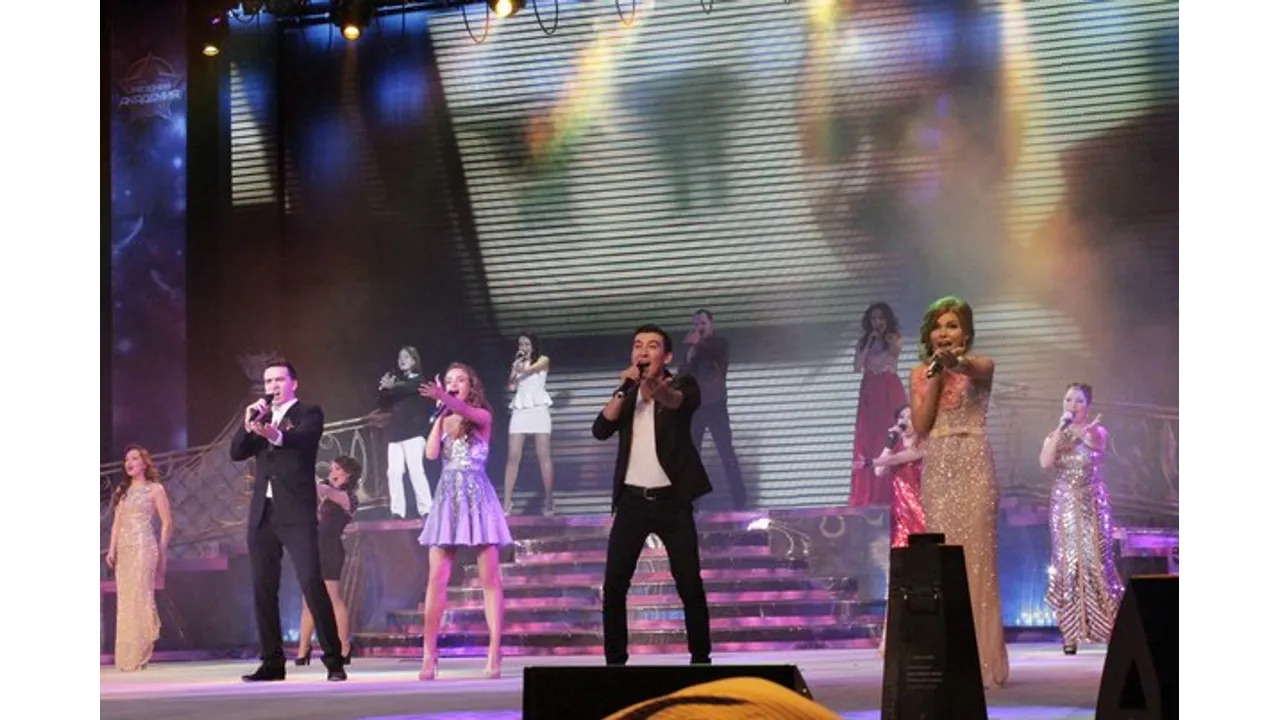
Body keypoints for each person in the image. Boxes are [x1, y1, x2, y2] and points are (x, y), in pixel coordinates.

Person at [593, 324, 713, 666]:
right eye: (637, 346)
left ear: (667, 356)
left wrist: (654, 389)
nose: (643, 351)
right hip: (632, 502)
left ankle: (700, 659)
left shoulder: (684, 384)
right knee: (614, 586)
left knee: (688, 582)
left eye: (652, 346)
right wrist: (625, 388)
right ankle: (615, 661)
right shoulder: (627, 394)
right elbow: (600, 429)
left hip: (673, 502)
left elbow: (675, 402)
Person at [909, 296, 1008, 688]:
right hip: (938, 467)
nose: (944, 332)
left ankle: (984, 660)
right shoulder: (919, 372)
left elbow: (970, 368)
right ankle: (948, 657)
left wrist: (954, 363)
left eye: (952, 325)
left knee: (979, 560)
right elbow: (921, 425)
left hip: (974, 462)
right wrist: (935, 375)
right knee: (943, 561)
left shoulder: (983, 365)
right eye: (938, 326)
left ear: (966, 333)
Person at [230, 358, 346, 682]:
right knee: (263, 588)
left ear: (294, 383)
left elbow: (303, 440)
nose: (273, 387)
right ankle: (272, 662)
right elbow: (237, 452)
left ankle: (334, 661)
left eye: (279, 380)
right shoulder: (261, 416)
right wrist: (248, 424)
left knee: (311, 582)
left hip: (296, 512)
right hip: (263, 513)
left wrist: (274, 433)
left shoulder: (309, 413)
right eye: (268, 382)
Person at [416, 363, 512, 680]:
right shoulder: (444, 417)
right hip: (447, 498)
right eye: (448, 380)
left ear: (471, 385)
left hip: (477, 497)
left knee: (489, 579)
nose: (454, 384)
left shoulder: (482, 415)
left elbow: (467, 412)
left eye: (460, 380)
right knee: (436, 578)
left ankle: (494, 652)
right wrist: (440, 413)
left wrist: (446, 398)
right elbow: (431, 454)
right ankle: (429, 654)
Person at [1039, 382, 1124, 655]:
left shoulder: (1098, 431)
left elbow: (1095, 443)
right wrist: (1059, 431)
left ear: (1088, 406)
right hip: (1064, 504)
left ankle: (1108, 628)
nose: (1072, 405)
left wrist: (1084, 432)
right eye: (1068, 400)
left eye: (1078, 401)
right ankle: (1070, 633)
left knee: (1096, 563)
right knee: (1067, 565)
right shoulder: (1055, 435)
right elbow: (1045, 462)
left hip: (1092, 504)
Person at [105, 445, 173, 672]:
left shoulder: (155, 489)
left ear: (144, 463)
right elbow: (116, 524)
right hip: (124, 550)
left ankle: (140, 653)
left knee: (140, 597)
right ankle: (127, 656)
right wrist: (111, 549)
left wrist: (162, 550)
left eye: (134, 458)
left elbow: (167, 522)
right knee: (126, 601)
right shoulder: (122, 491)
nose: (129, 462)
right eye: (127, 459)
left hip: (144, 546)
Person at [868, 405, 925, 657]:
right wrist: (889, 441)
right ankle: (891, 641)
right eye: (902, 417)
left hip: (923, 521)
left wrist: (870, 461)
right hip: (902, 522)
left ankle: (922, 636)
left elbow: (891, 462)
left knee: (923, 579)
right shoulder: (896, 448)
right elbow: (880, 470)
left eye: (911, 417)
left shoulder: (924, 446)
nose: (905, 421)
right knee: (898, 581)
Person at [295, 456, 361, 666]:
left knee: (332, 598)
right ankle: (303, 649)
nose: (332, 472)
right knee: (308, 599)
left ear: (348, 474)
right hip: (314, 549)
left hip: (331, 550)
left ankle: (344, 647)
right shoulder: (327, 493)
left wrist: (319, 484)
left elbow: (325, 490)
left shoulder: (348, 496)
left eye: (337, 469)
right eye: (331, 469)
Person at [683, 309, 745, 510]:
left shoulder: (720, 344)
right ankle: (693, 503)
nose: (699, 328)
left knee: (726, 453)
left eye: (702, 323)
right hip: (696, 408)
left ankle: (740, 501)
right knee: (692, 455)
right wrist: (689, 357)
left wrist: (698, 345)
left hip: (716, 406)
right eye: (696, 324)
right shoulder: (693, 349)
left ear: (711, 324)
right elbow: (682, 376)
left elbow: (716, 357)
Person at [849, 302, 908, 507]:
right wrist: (868, 342)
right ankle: (868, 494)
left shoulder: (894, 337)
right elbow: (857, 367)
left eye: (881, 318)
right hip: (870, 391)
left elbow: (894, 354)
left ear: (887, 319)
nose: (878, 322)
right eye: (874, 318)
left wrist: (885, 338)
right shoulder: (864, 341)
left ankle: (893, 494)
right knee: (868, 437)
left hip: (889, 389)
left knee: (890, 436)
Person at [503, 332, 555, 516]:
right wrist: (513, 369)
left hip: (538, 409)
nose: (523, 347)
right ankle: (507, 502)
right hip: (521, 409)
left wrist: (519, 368)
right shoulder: (518, 364)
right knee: (513, 456)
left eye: (526, 344)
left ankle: (549, 500)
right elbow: (511, 386)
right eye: (520, 344)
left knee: (543, 455)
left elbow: (531, 371)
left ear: (533, 345)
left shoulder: (543, 360)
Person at [378, 346, 433, 518]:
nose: (402, 360)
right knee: (393, 472)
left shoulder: (419, 380)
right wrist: (384, 388)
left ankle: (426, 509)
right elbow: (383, 402)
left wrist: (391, 386)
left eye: (406, 357)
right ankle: (397, 511)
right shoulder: (397, 382)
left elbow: (407, 388)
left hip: (414, 433)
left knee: (416, 470)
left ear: (414, 361)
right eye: (400, 357)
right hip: (395, 434)